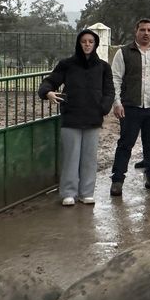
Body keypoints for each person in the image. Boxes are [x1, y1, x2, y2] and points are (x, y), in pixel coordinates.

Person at [38, 29, 114, 206]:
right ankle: (68, 192)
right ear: (78, 44)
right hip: (71, 116)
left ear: (95, 44)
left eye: (90, 41)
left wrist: (103, 108)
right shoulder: (67, 64)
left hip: (93, 117)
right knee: (71, 156)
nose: (87, 44)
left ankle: (86, 192)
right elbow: (49, 81)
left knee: (89, 157)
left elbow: (109, 90)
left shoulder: (103, 67)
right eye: (83, 41)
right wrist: (47, 92)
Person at [109, 19, 150, 195]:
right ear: (135, 31)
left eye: (149, 30)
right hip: (131, 107)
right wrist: (117, 103)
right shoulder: (123, 53)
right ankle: (117, 180)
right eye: (143, 30)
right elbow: (115, 79)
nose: (146, 33)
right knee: (125, 144)